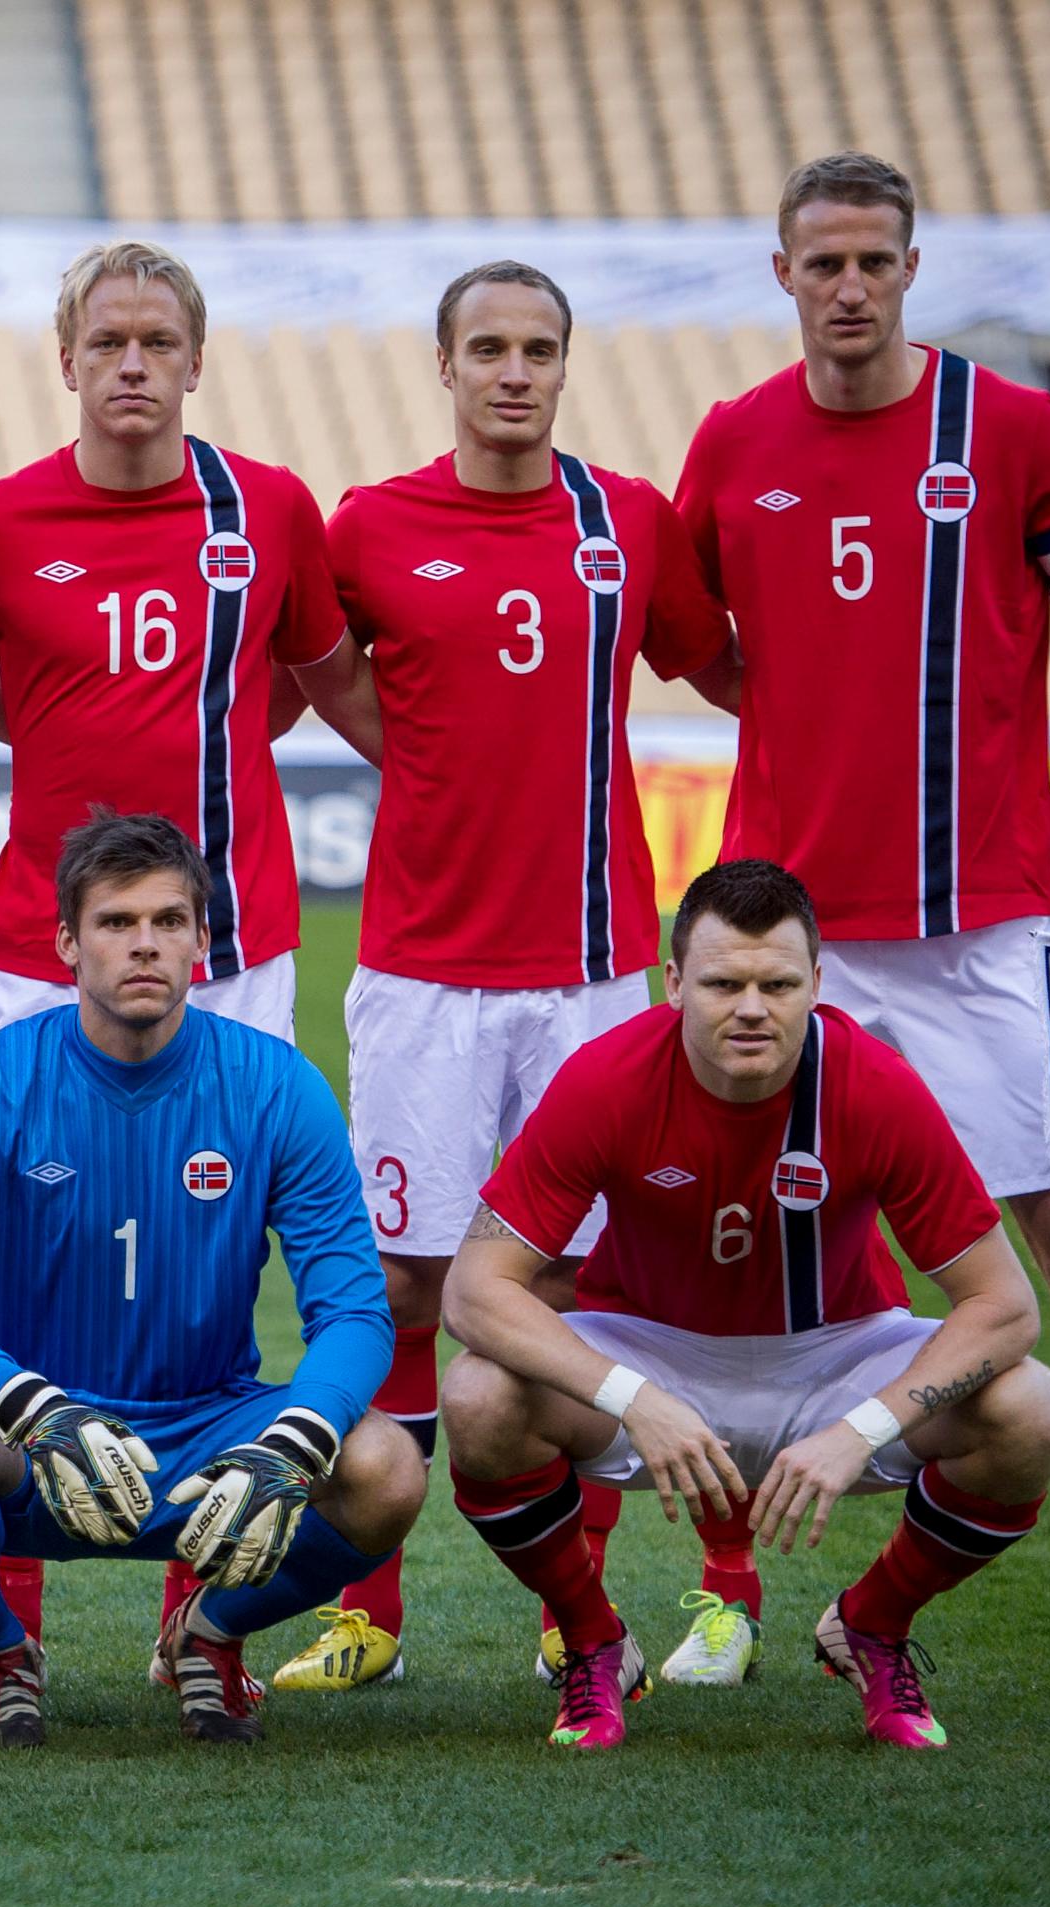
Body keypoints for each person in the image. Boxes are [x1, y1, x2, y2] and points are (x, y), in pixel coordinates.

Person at [674, 152, 1050, 1696]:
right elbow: (693, 641)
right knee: (755, 1263)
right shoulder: (730, 443)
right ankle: (727, 1593)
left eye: (872, 259)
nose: (847, 285)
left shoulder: (1008, 426)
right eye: (820, 262)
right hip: (789, 940)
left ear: (910, 269)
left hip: (977, 928)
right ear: (778, 272)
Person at [0, 240, 354, 1694]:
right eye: (106, 342)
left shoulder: (267, 510)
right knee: (24, 1280)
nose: (132, 364)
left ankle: (196, 1608)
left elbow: (315, 679)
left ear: (196, 359)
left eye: (158, 340)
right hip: (38, 946)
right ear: (65, 359)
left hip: (238, 940)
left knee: (222, 1265)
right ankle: (2, 1635)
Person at [273, 262, 737, 1697]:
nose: (514, 373)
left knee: (583, 1288)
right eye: (488, 348)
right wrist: (417, 759)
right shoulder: (371, 526)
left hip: (594, 976)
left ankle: (569, 1613)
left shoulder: (627, 520)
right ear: (444, 364)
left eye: (539, 350)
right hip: (422, 973)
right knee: (407, 1286)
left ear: (563, 364)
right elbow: (323, 677)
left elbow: (726, 667)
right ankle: (371, 1611)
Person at [440, 859, 1050, 1750]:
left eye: (778, 984)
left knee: (1033, 1411)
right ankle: (593, 1642)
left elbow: (1004, 1308)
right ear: (673, 982)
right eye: (723, 983)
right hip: (651, 1349)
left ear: (817, 982)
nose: (751, 1008)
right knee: (476, 1398)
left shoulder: (873, 1082)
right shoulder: (607, 1076)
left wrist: (864, 1430)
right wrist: (632, 1397)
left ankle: (872, 1624)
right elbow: (476, 1288)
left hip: (836, 1352)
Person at [0, 811, 423, 1748]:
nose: (144, 944)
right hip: (37, 1436)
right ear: (66, 945)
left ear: (203, 942)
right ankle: (1, 1653)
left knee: (385, 1468)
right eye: (117, 922)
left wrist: (292, 1441)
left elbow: (357, 1309)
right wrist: (32, 1406)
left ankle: (208, 1636)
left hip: (212, 1431)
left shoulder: (278, 1087)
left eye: (169, 921)